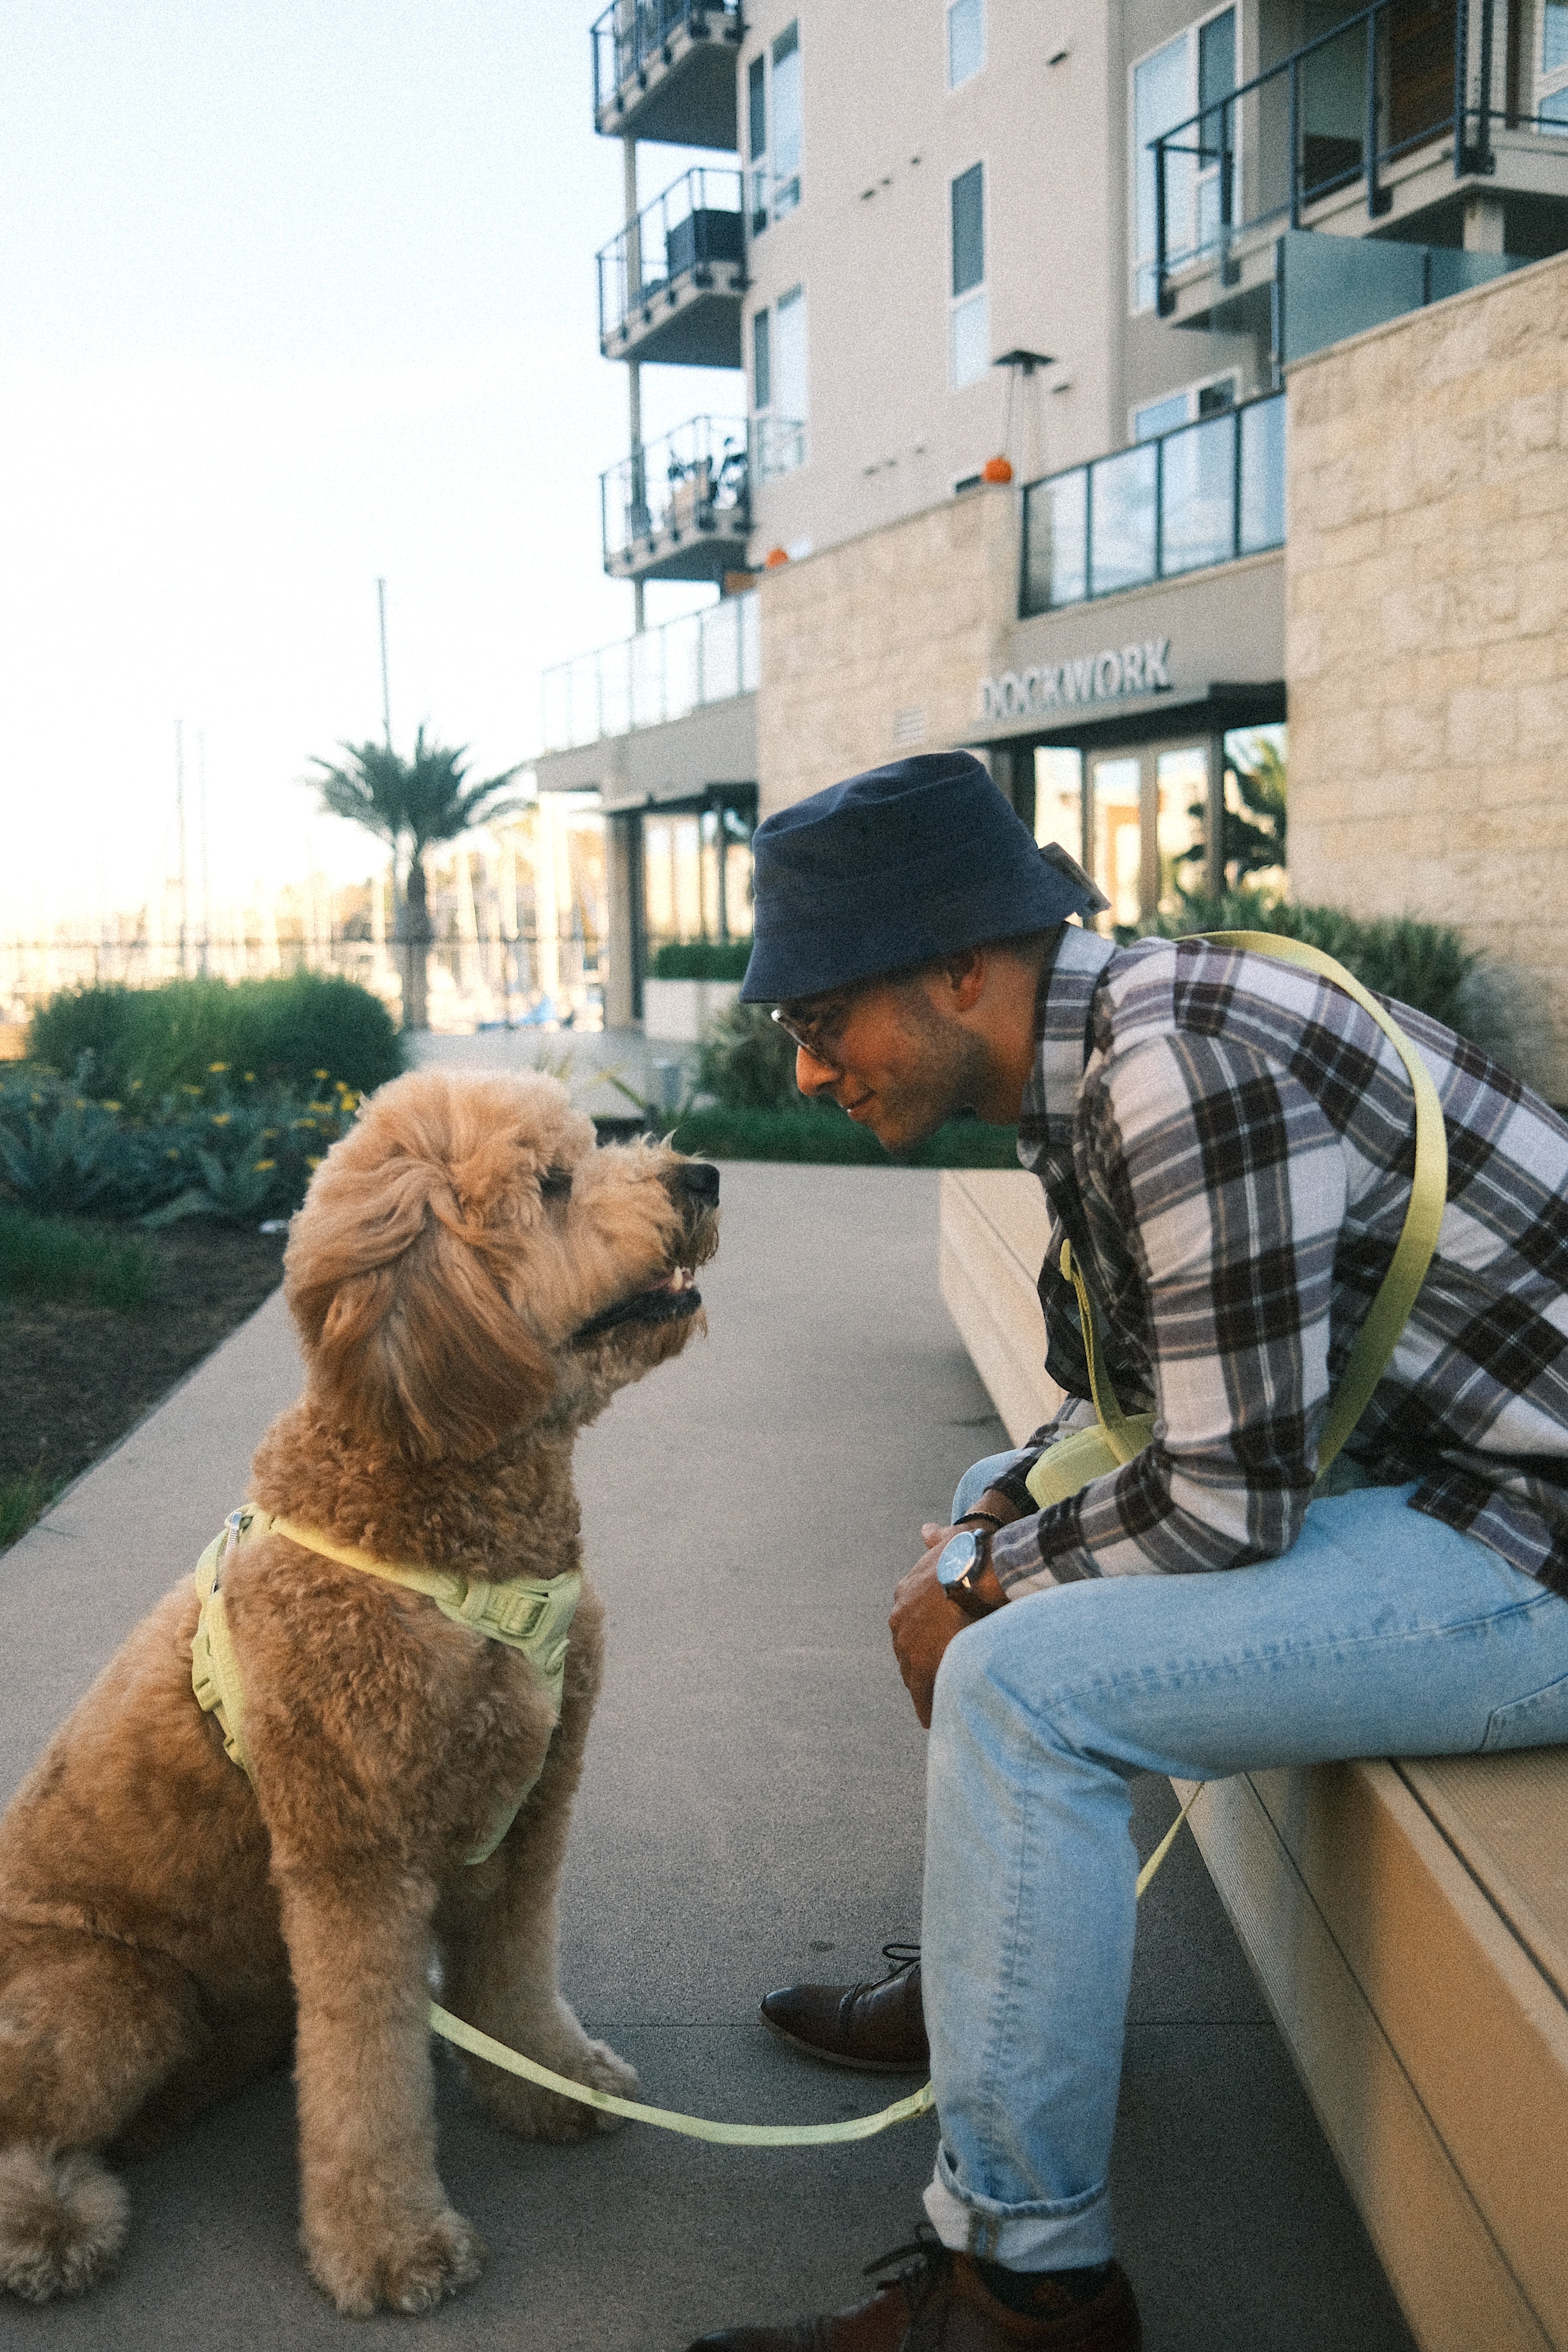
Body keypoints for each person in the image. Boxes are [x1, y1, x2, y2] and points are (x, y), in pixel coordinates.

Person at [686, 752, 1568, 2352]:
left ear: (963, 966)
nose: (806, 1068)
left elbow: (1228, 1502)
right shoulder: (1108, 1039)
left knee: (1022, 1682)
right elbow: (1151, 1414)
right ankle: (998, 1985)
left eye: (822, 1021)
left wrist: (977, 1585)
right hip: (1461, 1481)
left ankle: (1024, 2286)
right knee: (986, 1499)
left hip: (1536, 1549)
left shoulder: (1172, 1073)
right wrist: (995, 1522)